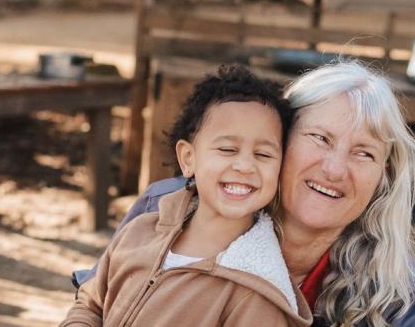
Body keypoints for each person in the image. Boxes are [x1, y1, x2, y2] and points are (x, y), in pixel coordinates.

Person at [77, 62, 415, 326]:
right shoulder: (164, 208)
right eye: (320, 138)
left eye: (364, 153)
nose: (334, 169)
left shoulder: (400, 293)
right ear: (281, 138)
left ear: (383, 176)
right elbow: (97, 298)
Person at [63, 65, 308, 326]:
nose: (245, 166)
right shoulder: (140, 231)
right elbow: (90, 305)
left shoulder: (257, 293)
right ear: (188, 158)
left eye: (263, 155)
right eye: (227, 149)